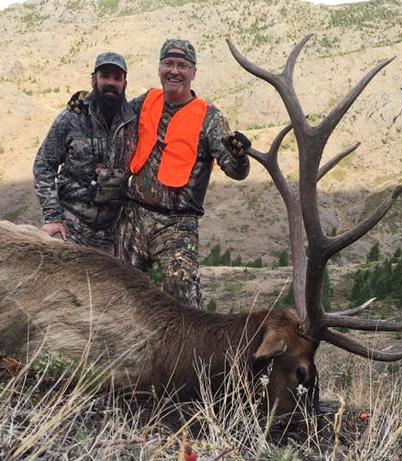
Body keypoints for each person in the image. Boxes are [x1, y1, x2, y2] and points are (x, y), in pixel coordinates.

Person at [119, 38, 250, 309]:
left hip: (177, 225)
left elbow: (236, 171)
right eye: (168, 63)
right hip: (134, 216)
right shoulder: (145, 101)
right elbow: (112, 117)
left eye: (182, 65)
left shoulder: (210, 119)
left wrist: (240, 155)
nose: (174, 71)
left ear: (193, 72)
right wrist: (89, 100)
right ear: (159, 67)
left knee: (182, 303)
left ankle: (188, 353)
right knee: (119, 293)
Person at [33, 52, 136, 253]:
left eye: (117, 78)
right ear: (93, 79)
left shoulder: (133, 122)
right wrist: (52, 217)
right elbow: (44, 165)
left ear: (124, 84)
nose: (111, 82)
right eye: (105, 76)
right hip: (71, 224)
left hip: (113, 231)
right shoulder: (70, 119)